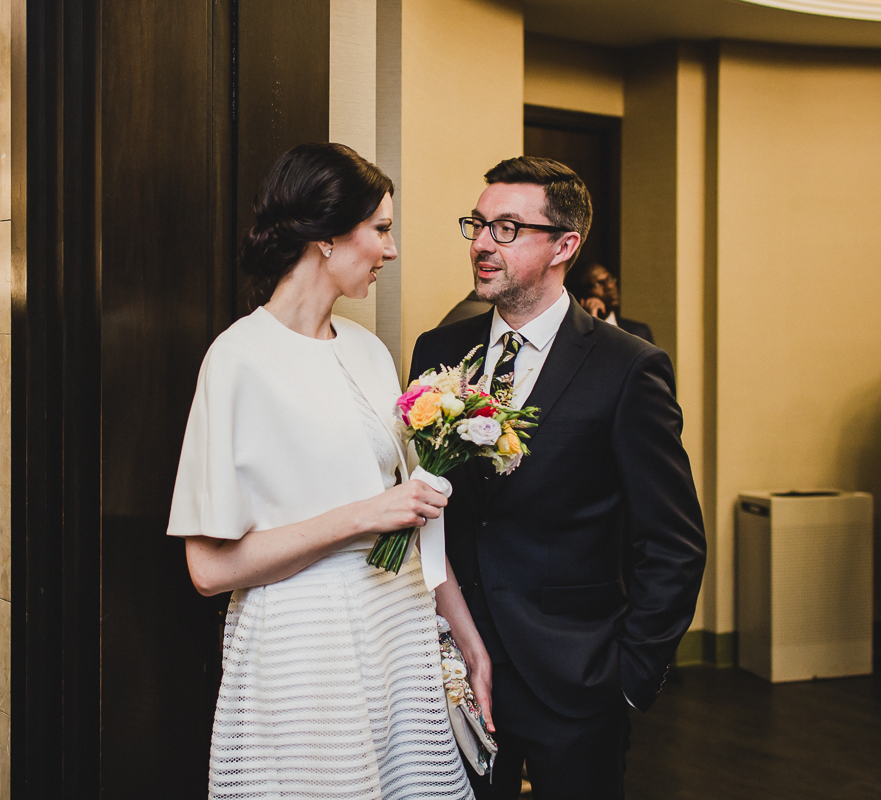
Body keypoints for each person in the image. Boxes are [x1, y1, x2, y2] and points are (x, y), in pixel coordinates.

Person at [168, 143, 484, 800]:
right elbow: (208, 571)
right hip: (307, 646)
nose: (391, 251)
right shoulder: (237, 361)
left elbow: (414, 510)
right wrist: (363, 516)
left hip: (397, 630)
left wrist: (466, 637)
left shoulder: (370, 353)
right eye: (381, 229)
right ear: (324, 235)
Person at [408, 156, 706, 799]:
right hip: (451, 670)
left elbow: (673, 541)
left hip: (577, 678)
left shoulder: (629, 368)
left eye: (508, 229)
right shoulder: (439, 351)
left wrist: (631, 674)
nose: (482, 244)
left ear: (564, 245)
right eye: (478, 225)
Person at [566, 262, 655, 344]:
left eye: (610, 279)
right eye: (599, 283)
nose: (609, 286)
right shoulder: (570, 335)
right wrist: (591, 325)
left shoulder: (638, 332)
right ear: (581, 295)